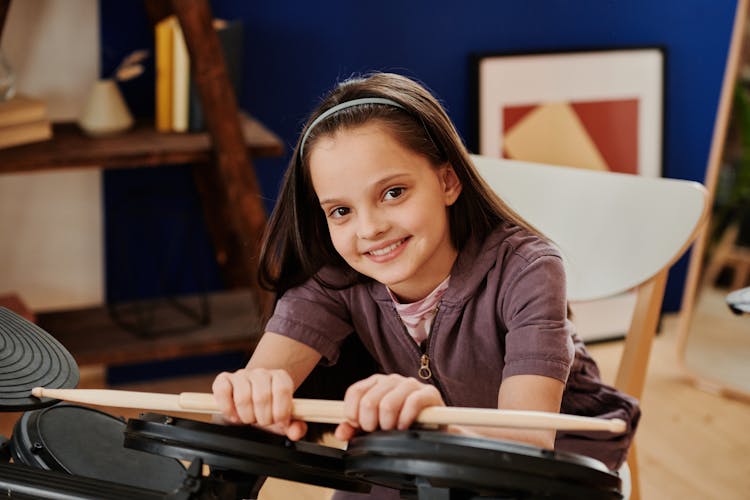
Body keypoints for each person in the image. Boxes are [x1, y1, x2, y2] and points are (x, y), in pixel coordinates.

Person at [212, 72, 639, 490]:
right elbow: (254, 393)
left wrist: (444, 427)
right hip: (422, 448)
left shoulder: (529, 268)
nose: (370, 228)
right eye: (341, 211)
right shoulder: (334, 281)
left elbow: (528, 444)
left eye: (393, 192)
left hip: (553, 466)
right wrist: (248, 394)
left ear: (447, 180)